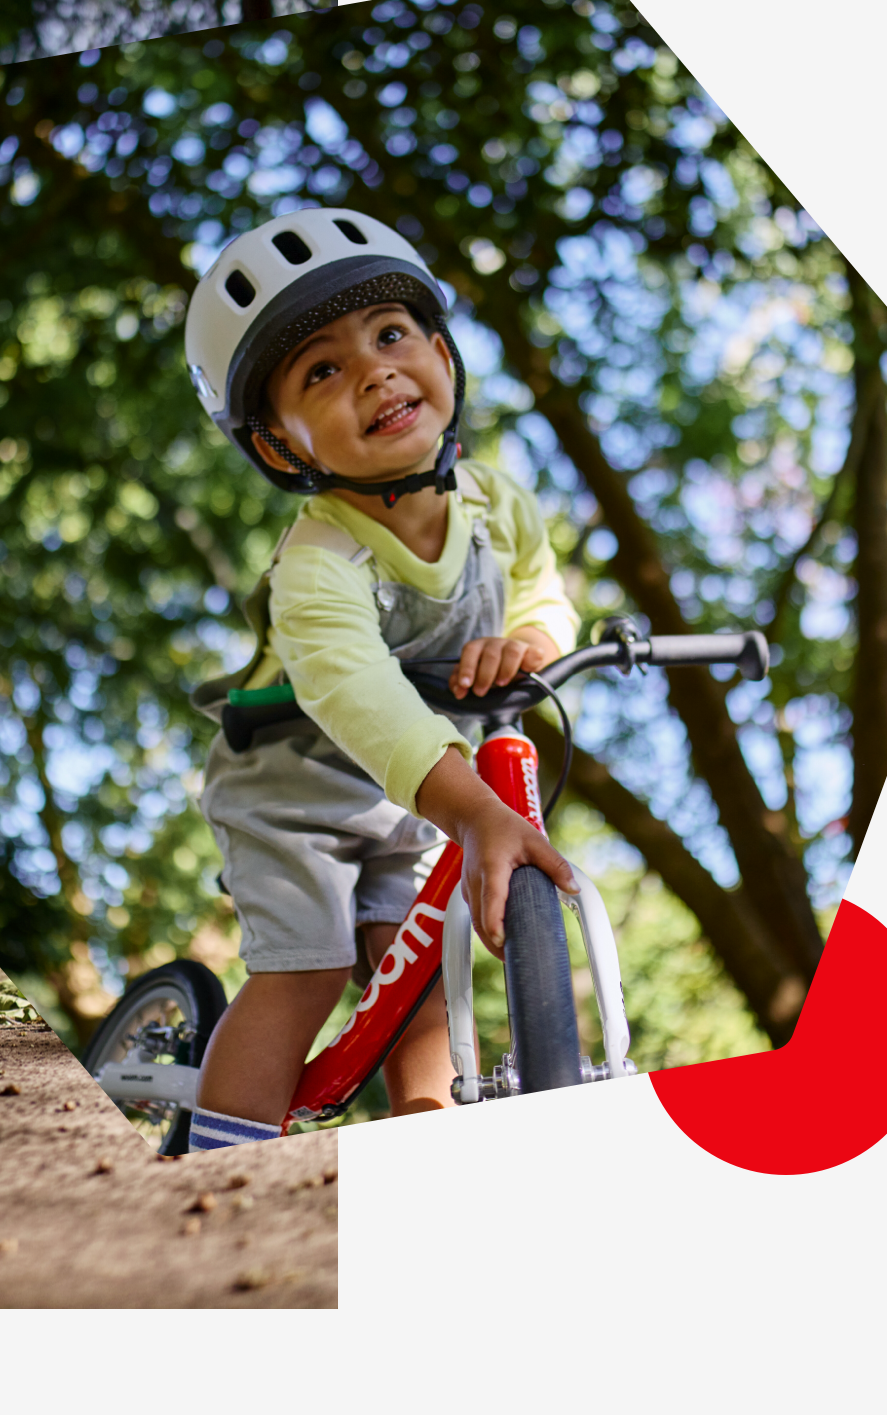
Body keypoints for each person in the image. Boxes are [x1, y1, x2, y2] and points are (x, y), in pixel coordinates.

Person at [172, 208, 585, 1151]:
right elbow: (357, 692)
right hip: (294, 792)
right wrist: (476, 811)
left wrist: (530, 638)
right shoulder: (317, 565)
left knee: (423, 969)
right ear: (282, 447)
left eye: (391, 335)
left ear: (441, 354)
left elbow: (544, 594)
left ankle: (424, 1125)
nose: (372, 371)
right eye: (322, 370)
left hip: (416, 794)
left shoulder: (498, 503)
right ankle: (222, 1159)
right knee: (308, 967)